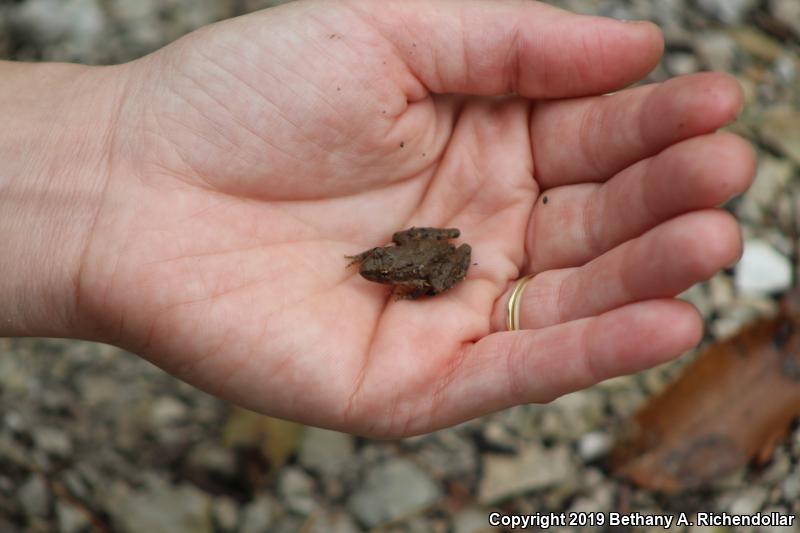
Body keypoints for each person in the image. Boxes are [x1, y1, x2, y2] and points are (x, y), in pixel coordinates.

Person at [0, 0, 754, 437]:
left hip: (442, 256)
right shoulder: (381, 263)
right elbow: (387, 253)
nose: (378, 272)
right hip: (426, 243)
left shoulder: (409, 275)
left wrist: (418, 275)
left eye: (383, 273)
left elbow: (423, 265)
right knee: (405, 250)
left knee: (424, 255)